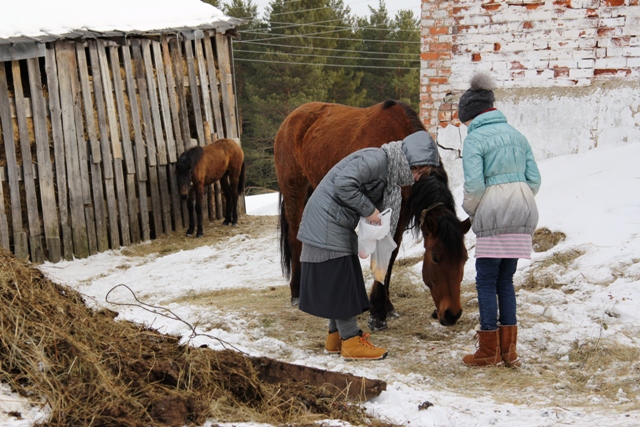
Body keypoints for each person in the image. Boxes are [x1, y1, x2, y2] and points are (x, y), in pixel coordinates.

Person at [296, 130, 439, 360]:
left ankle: (336, 338)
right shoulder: (376, 160)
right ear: (408, 161)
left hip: (334, 222)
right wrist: (370, 211)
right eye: (417, 171)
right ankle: (351, 341)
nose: (416, 178)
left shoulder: (388, 172)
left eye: (421, 174)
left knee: (342, 277)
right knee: (341, 282)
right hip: (325, 222)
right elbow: (344, 184)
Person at [458, 72, 542, 367]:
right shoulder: (517, 135)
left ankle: (488, 351)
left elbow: (474, 186)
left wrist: (472, 210)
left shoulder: (475, 139)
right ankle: (509, 351)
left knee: (485, 279)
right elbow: (534, 180)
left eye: (464, 122)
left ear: (471, 115)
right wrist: (517, 197)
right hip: (523, 210)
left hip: (494, 212)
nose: (465, 127)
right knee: (505, 280)